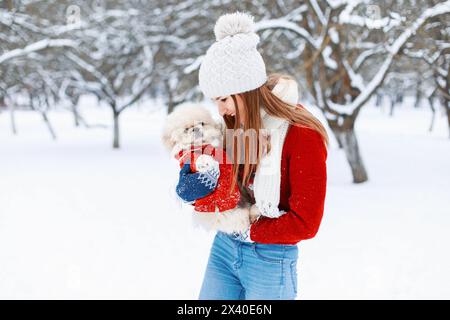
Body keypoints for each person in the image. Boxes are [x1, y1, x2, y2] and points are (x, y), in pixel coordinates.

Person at [195, 11, 329, 300]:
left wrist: (251, 228)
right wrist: (200, 182)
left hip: (270, 258)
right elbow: (233, 190)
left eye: (223, 99)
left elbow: (306, 222)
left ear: (246, 91)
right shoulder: (239, 128)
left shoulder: (301, 133)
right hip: (225, 247)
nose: (220, 110)